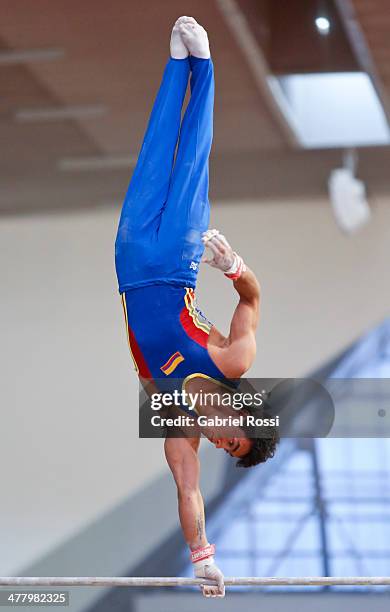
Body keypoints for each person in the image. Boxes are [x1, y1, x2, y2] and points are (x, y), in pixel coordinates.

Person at [115, 16, 277, 597]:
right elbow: (253, 296)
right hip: (181, 257)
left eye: (224, 449)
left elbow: (188, 492)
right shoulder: (232, 361)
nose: (217, 442)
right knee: (191, 159)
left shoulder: (179, 427)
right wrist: (234, 268)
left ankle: (176, 63)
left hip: (132, 265)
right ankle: (203, 66)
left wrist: (201, 555)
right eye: (231, 439)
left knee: (155, 151)